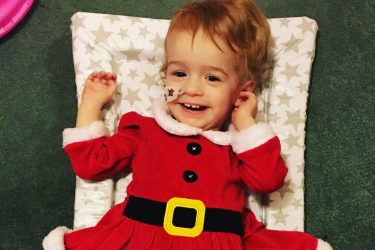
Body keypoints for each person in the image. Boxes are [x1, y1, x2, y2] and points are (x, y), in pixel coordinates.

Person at [43, 0, 333, 249]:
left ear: (241, 91)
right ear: (164, 77)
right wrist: (91, 104)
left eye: (212, 78)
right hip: (140, 237)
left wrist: (247, 124)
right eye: (179, 73)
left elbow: (269, 180)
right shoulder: (144, 129)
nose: (191, 88)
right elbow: (92, 163)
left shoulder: (239, 145)